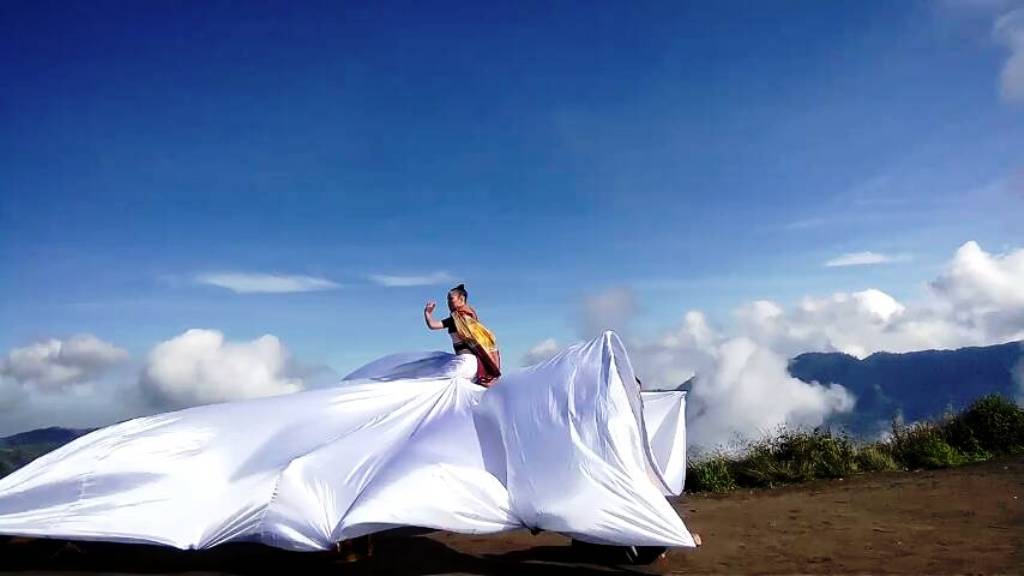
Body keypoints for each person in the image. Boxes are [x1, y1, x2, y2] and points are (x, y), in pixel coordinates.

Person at [424, 283, 501, 386]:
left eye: (451, 299)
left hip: (464, 362)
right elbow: (433, 325)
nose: (448, 303)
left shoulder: (460, 319)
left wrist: (428, 314)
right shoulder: (466, 318)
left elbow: (433, 325)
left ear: (461, 299)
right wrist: (428, 314)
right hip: (472, 363)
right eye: (447, 300)